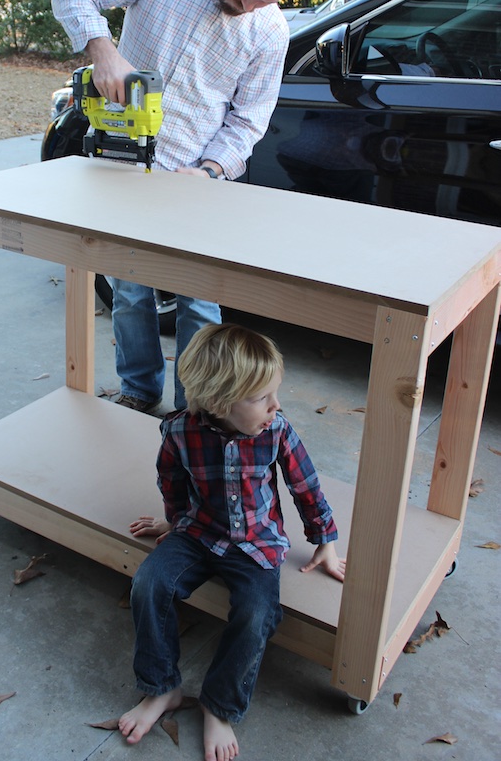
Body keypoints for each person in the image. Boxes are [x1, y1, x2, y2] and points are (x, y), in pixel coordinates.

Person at [51, 0, 313, 414]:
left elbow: (249, 120)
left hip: (195, 179)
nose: (250, 7)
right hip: (123, 164)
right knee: (129, 291)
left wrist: (211, 170)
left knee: (200, 302)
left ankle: (195, 409)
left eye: (266, 1)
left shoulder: (270, 30)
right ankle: (139, 390)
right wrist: (102, 49)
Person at [121, 323, 345, 761]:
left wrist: (325, 541)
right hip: (198, 532)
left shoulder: (276, 430)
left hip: (257, 544)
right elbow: (171, 480)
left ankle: (219, 705)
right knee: (149, 585)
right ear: (221, 401)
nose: (276, 405)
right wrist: (174, 522)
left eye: (274, 394)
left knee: (257, 612)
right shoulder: (180, 432)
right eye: (263, 397)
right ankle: (161, 687)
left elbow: (306, 486)